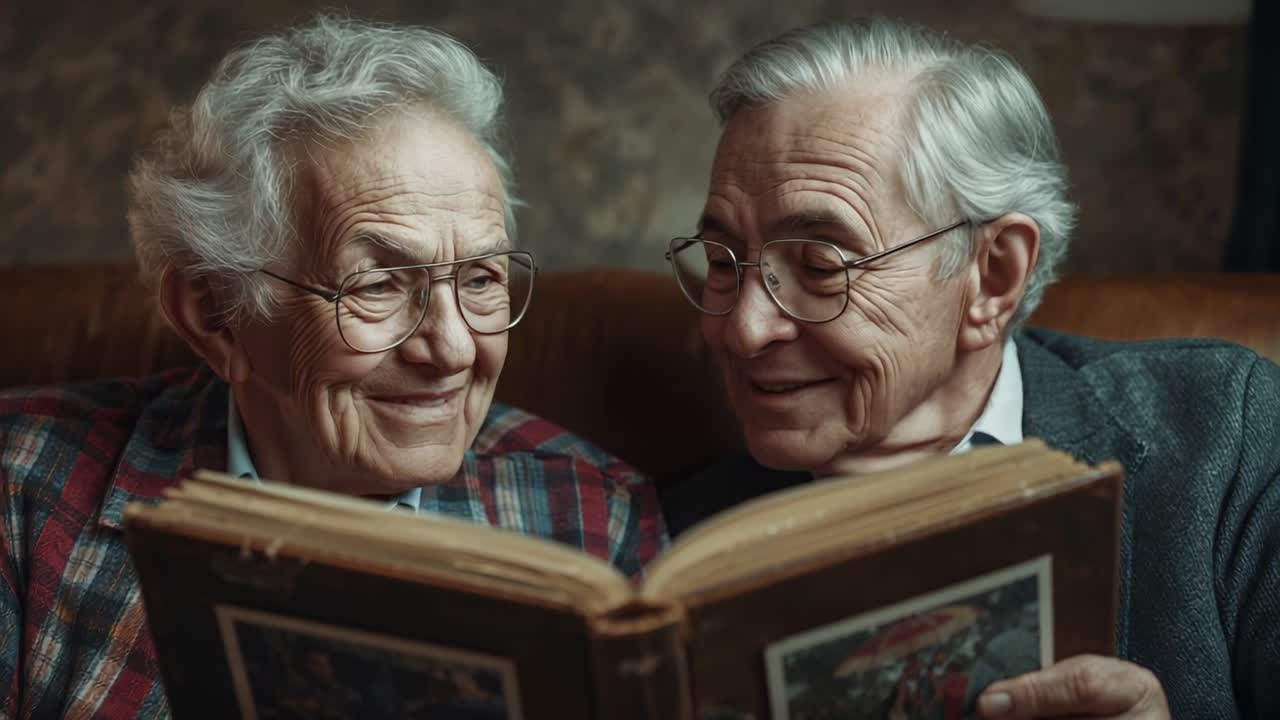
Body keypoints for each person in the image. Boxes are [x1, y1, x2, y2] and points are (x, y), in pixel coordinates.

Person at [0, 15, 665, 718]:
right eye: (376, 286)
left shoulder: (594, 518)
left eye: (479, 280)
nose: (454, 349)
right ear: (215, 314)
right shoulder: (22, 491)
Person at [660, 17, 1279, 720]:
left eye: (819, 267)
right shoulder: (680, 546)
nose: (742, 329)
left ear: (992, 276)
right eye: (721, 264)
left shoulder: (1227, 436)